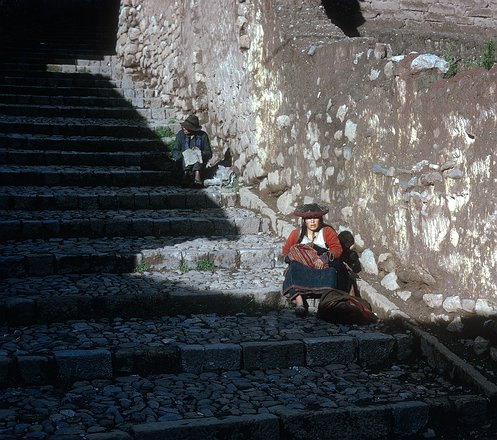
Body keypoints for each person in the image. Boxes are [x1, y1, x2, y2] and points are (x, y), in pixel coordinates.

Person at [282, 202, 348, 317]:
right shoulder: (296, 234)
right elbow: (286, 252)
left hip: (321, 266)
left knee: (332, 272)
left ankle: (327, 300)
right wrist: (299, 255)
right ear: (304, 220)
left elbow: (337, 249)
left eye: (315, 218)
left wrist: (324, 257)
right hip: (303, 267)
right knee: (292, 268)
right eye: (309, 218)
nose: (312, 221)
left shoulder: (327, 231)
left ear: (320, 219)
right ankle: (299, 302)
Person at [170, 115, 212, 186]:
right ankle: (186, 174)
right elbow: (175, 152)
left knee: (196, 153)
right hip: (184, 164)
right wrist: (185, 154)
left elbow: (209, 153)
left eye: (186, 128)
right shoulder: (181, 135)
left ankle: (197, 175)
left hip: (199, 164)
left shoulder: (203, 136)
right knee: (189, 153)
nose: (184, 129)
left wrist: (200, 152)